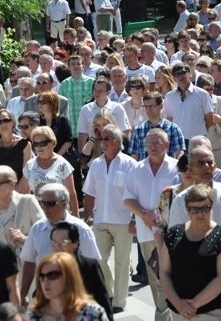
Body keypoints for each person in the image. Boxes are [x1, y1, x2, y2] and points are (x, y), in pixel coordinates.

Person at [123, 128, 179, 319]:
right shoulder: (136, 169)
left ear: (167, 145)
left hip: (173, 233)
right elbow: (127, 198)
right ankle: (163, 314)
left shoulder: (177, 168)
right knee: (156, 278)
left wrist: (159, 217)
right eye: (149, 143)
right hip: (146, 233)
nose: (153, 147)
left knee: (175, 277)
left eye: (157, 143)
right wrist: (142, 215)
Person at [160, 184, 221, 321]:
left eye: (205, 208)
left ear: (212, 207)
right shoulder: (173, 234)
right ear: (187, 210)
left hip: (212, 313)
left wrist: (192, 305)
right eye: (195, 209)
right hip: (178, 312)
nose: (200, 214)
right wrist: (178, 304)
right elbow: (164, 272)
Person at [83, 124, 136, 314]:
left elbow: (136, 195)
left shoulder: (130, 164)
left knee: (122, 262)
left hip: (123, 220)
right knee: (98, 259)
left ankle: (119, 301)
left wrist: (134, 220)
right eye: (101, 139)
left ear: (117, 141)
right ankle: (109, 290)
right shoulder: (95, 164)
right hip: (100, 219)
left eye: (106, 139)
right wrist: (87, 217)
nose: (102, 143)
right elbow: (89, 193)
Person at [19, 183, 100, 305]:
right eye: (42, 203)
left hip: (76, 297)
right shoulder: (37, 229)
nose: (45, 208)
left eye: (50, 204)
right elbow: (29, 262)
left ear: (64, 204)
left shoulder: (82, 230)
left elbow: (93, 267)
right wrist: (22, 294)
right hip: (46, 296)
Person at [0, 165, 44, 266]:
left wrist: (25, 238)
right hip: (1, 270)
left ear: (11, 184)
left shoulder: (27, 201)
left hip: (28, 268)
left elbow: (45, 233)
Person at [28, 251, 109, 321]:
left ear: (69, 277)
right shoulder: (32, 316)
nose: (45, 282)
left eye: (52, 275)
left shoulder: (93, 314)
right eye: (41, 276)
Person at [23, 126, 77, 216]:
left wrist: (77, 222)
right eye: (35, 144)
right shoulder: (29, 165)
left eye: (43, 143)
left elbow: (71, 194)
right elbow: (24, 194)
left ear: (52, 143)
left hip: (59, 216)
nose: (39, 147)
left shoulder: (63, 164)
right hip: (36, 216)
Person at [0, 109, 32, 193]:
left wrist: (14, 193)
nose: (3, 124)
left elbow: (27, 173)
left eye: (6, 120)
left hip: (22, 193)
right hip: (0, 194)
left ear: (13, 122)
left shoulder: (25, 144)